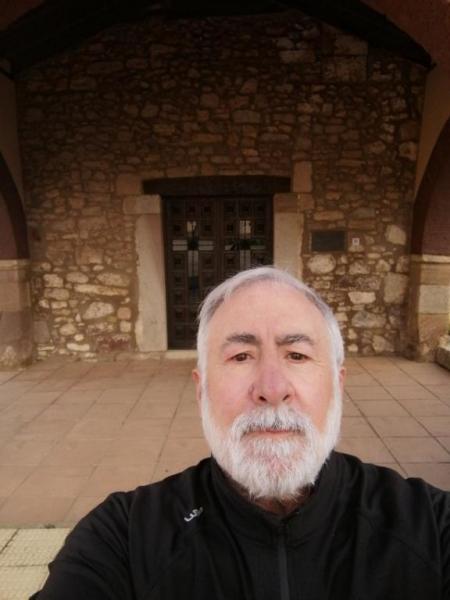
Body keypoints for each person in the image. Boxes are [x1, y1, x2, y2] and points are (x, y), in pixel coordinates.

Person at [32, 266, 449, 599]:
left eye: (297, 355)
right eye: (241, 356)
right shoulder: (124, 538)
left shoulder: (430, 525)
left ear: (337, 385)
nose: (272, 389)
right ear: (201, 390)